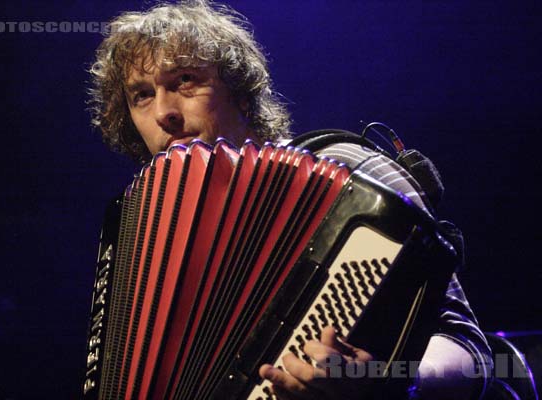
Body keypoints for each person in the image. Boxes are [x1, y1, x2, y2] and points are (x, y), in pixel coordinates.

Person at [88, 1, 492, 398]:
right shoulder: (142, 237)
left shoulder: (345, 169)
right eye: (141, 95)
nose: (163, 112)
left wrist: (391, 382)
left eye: (186, 81)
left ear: (241, 92)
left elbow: (472, 355)